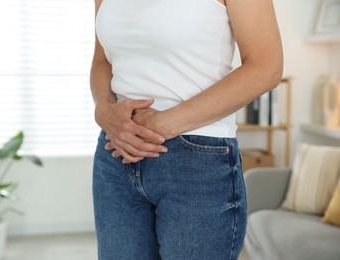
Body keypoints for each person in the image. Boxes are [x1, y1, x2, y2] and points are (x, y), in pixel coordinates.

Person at [90, 0, 283, 259]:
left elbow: (266, 66)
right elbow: (102, 60)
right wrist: (103, 109)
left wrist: (165, 122)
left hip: (197, 165)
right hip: (115, 156)